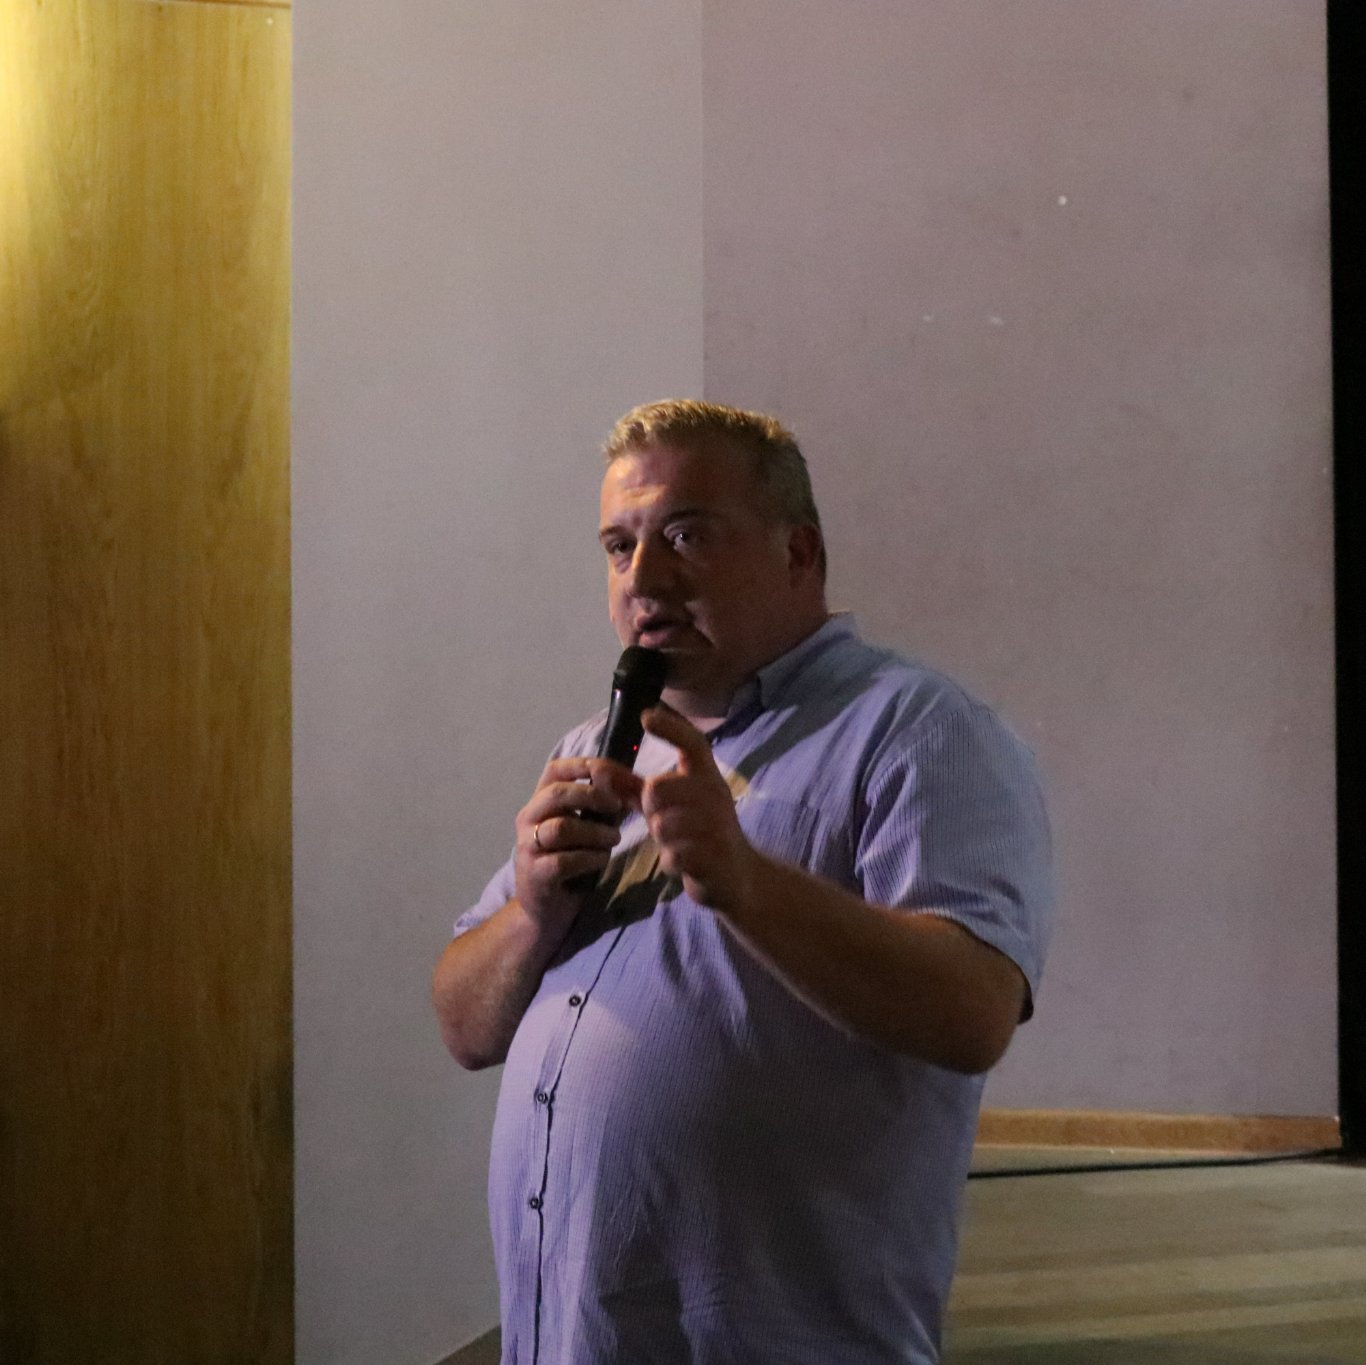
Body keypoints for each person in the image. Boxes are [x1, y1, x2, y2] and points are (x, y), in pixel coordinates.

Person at [430, 399, 1054, 1364]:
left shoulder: (917, 732)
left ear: (798, 553)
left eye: (686, 534)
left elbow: (972, 1011)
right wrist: (531, 913)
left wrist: (745, 883)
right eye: (619, 546)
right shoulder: (595, 748)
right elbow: (466, 1027)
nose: (645, 577)